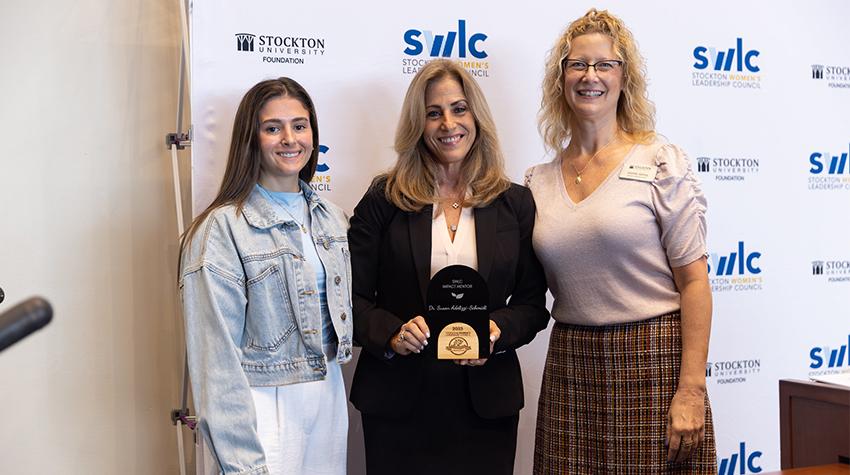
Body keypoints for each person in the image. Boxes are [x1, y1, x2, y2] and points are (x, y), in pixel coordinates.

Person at [527, 9, 717, 474]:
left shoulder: (660, 162)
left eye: (604, 65)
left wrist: (691, 389)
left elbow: (694, 282)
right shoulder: (536, 182)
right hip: (572, 365)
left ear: (623, 77)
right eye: (578, 64)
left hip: (655, 361)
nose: (590, 76)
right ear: (561, 79)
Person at [348, 59, 549, 475]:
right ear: (417, 124)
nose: (448, 124)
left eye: (459, 109)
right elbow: (349, 298)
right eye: (433, 113)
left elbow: (532, 303)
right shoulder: (384, 199)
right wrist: (391, 334)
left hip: (485, 403)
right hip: (398, 404)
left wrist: (496, 332)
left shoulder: (515, 203)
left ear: (476, 116)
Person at [179, 77, 352, 475]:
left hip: (327, 392)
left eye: (300, 125)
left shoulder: (333, 218)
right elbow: (215, 359)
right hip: (262, 402)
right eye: (273, 128)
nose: (290, 139)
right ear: (251, 138)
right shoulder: (221, 230)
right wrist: (241, 460)